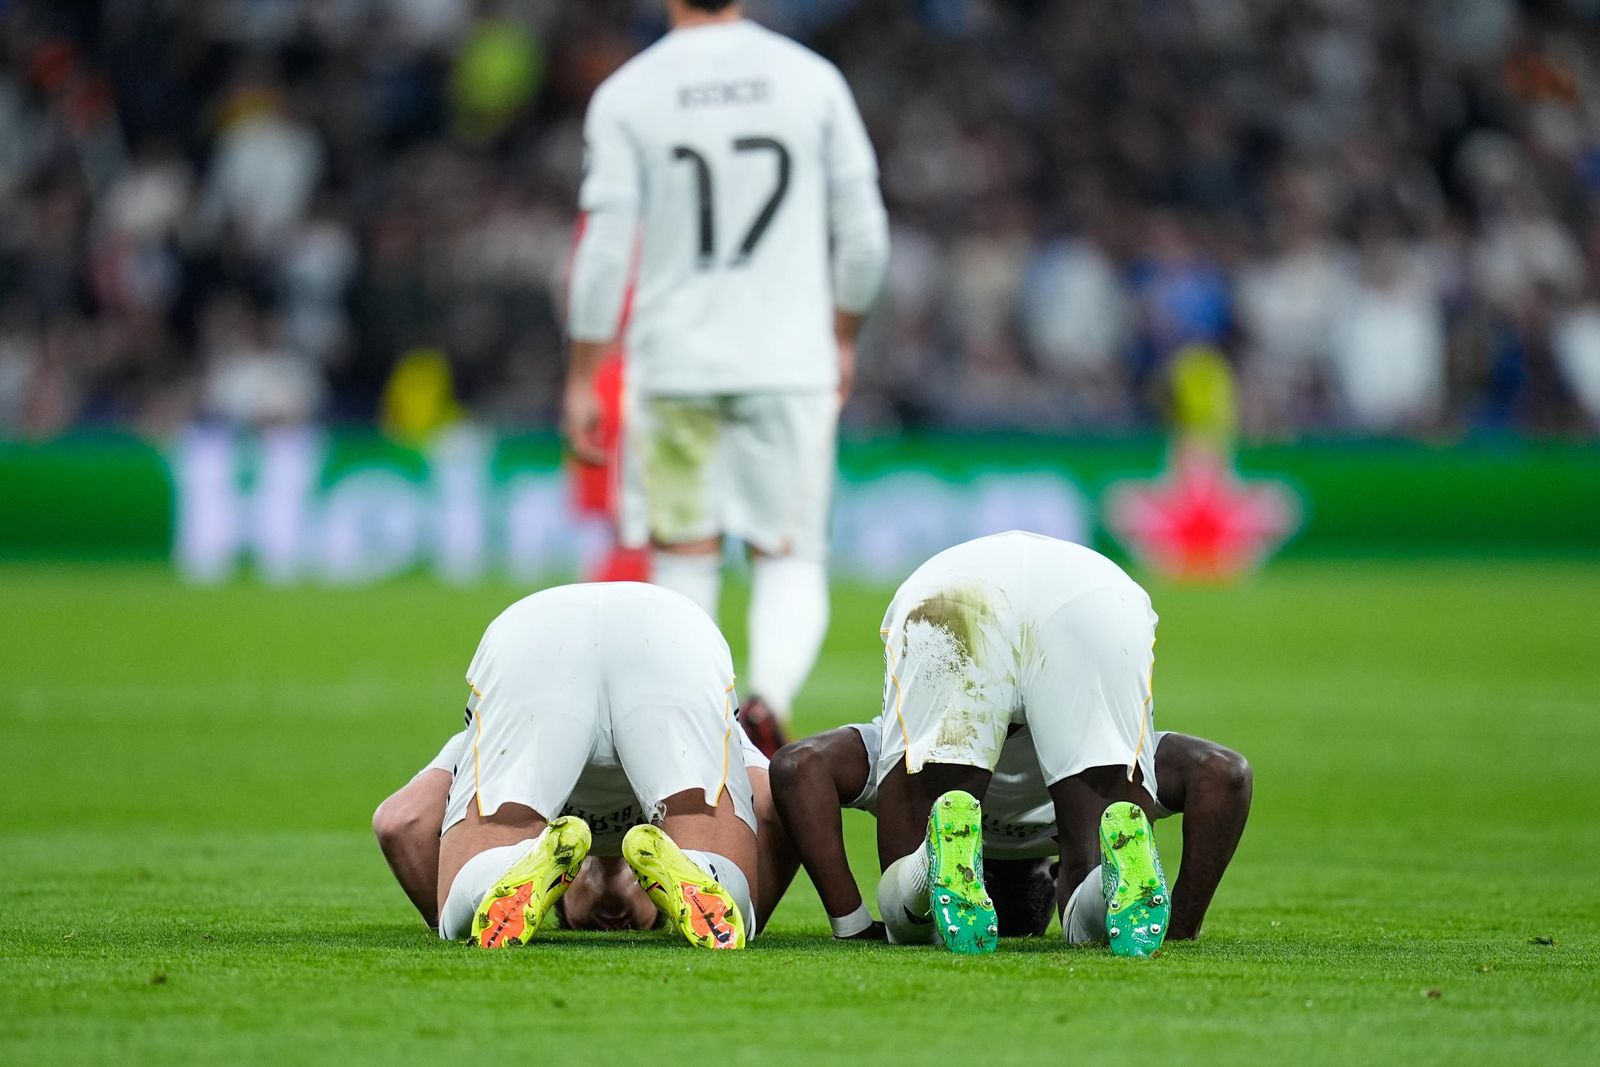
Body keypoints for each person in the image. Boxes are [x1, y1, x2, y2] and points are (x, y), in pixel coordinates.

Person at [563, 0, 891, 756]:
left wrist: (585, 370)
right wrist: (841, 333)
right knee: (790, 554)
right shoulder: (812, 80)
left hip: (674, 364)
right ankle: (768, 699)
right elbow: (866, 236)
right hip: (790, 363)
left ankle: (702, 721)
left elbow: (605, 248)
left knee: (683, 553)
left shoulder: (630, 92)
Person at [772, 531, 1252, 956]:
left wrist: (854, 925)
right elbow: (1225, 774)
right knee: (1091, 892)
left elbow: (799, 767)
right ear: (1053, 869)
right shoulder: (1054, 830)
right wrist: (1180, 930)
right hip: (1092, 592)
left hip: (962, 586)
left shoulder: (1046, 842)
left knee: (911, 925)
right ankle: (1103, 886)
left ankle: (928, 870)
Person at [403, 582, 772, 949]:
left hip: (535, 633)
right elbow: (772, 806)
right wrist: (756, 913)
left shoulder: (471, 746)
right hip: (670, 631)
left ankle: (502, 873)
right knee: (733, 898)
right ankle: (702, 871)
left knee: (459, 910)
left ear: (557, 893)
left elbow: (402, 821)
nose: (612, 898)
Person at [374, 703, 802, 937]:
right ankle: (719, 889)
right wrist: (748, 920)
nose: (613, 899)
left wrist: (457, 916)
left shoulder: (510, 726)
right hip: (663, 657)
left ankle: (483, 890)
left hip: (540, 664)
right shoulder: (688, 718)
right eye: (640, 878)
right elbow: (781, 807)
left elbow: (400, 821)